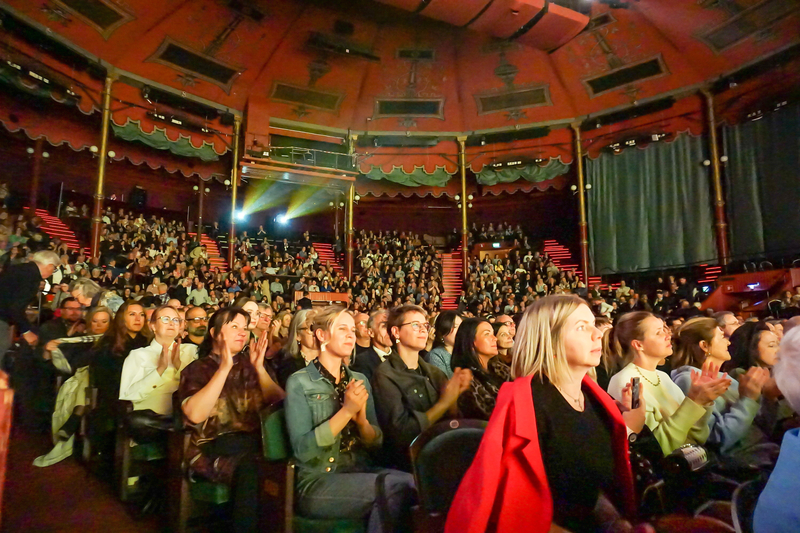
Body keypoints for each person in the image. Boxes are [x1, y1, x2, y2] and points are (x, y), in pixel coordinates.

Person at [446, 295, 640, 533]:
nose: (598, 333)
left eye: (593, 323)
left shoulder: (595, 399)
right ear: (550, 339)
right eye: (581, 327)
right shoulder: (526, 405)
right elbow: (514, 512)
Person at [285, 306, 416, 531]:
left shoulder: (359, 380)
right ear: (322, 335)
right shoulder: (300, 382)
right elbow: (303, 450)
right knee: (394, 489)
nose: (351, 335)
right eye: (342, 329)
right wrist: (346, 411)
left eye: (353, 330)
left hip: (358, 470)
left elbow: (376, 443)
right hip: (318, 481)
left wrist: (362, 421)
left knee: (417, 482)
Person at [179, 307, 284, 533]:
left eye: (245, 328)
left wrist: (259, 369)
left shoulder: (252, 364)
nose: (242, 333)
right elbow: (195, 415)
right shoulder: (197, 369)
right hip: (211, 447)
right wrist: (224, 368)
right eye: (234, 326)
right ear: (215, 333)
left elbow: (279, 403)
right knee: (252, 466)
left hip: (254, 442)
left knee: (280, 461)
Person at [607, 311, 729, 456]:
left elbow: (697, 437)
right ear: (638, 345)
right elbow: (655, 449)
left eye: (665, 329)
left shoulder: (662, 376)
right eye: (659, 333)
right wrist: (694, 402)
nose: (668, 335)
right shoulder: (628, 382)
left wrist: (703, 402)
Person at [372, 305, 472, 471]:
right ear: (396, 332)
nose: (423, 330)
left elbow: (452, 419)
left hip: (442, 449)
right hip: (411, 461)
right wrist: (444, 403)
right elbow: (402, 433)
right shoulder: (385, 375)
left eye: (425, 325)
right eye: (415, 325)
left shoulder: (433, 372)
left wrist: (456, 395)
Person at [671, 317, 772, 460]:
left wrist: (768, 396)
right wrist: (748, 399)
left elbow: (758, 421)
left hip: (763, 448)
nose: (729, 342)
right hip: (744, 461)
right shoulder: (688, 380)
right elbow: (718, 440)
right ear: (705, 345)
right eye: (722, 337)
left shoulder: (724, 376)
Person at [119, 305, 198, 443]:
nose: (172, 323)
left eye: (176, 320)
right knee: (136, 420)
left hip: (183, 413)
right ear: (153, 326)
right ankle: (179, 428)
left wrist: (179, 366)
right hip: (153, 421)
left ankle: (181, 427)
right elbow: (127, 396)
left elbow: (199, 388)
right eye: (165, 319)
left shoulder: (191, 351)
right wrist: (159, 370)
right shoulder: (138, 355)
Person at [88, 301, 152, 461]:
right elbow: (104, 379)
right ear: (122, 318)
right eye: (132, 314)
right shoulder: (108, 343)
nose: (138, 318)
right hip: (116, 395)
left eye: (141, 314)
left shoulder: (148, 341)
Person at [0, 250, 59, 366]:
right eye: (54, 269)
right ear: (50, 266)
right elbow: (16, 307)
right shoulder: (32, 277)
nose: (53, 272)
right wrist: (26, 331)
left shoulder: (17, 268)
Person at [451, 318, 511, 421]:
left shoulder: (501, 369)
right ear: (471, 342)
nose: (495, 338)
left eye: (493, 333)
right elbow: (490, 418)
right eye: (487, 334)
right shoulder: (467, 380)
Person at [276, 308, 318, 389]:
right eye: (311, 328)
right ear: (297, 335)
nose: (316, 332)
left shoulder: (330, 360)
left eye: (319, 327)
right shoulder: (288, 365)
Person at [350, 309, 392, 382]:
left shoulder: (401, 355)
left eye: (390, 325)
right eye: (384, 326)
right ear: (371, 332)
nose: (389, 330)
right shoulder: (361, 361)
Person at [427, 310, 462, 378]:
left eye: (461, 326)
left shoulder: (465, 352)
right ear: (442, 332)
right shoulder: (436, 356)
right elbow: (442, 385)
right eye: (455, 327)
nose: (460, 330)